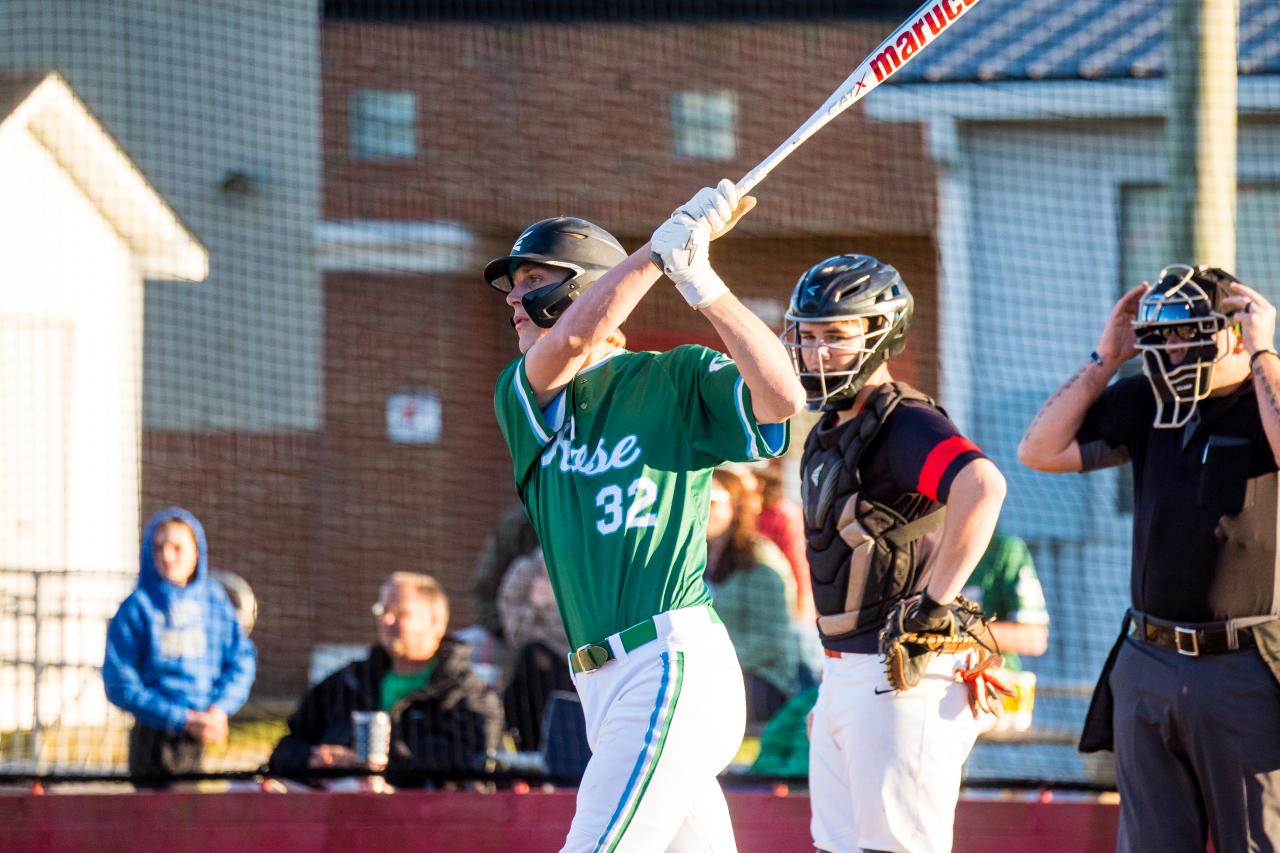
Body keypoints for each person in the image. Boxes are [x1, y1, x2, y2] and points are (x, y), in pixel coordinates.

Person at [487, 180, 805, 851]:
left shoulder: (672, 377)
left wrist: (700, 279)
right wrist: (654, 254)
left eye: (533, 280)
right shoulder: (524, 396)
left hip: (670, 663)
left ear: (584, 284)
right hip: (600, 685)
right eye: (513, 285)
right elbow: (574, 343)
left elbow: (782, 397)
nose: (513, 299)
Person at [1018, 264, 1280, 852]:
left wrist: (1264, 350)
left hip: (1243, 662)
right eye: (1164, 336)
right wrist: (1106, 357)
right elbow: (1038, 449)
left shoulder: (1265, 392)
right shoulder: (1145, 400)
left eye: (1191, 333)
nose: (1175, 350)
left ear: (1232, 329)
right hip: (1148, 657)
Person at [784, 254, 1007, 853]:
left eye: (836, 335)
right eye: (807, 335)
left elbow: (983, 486)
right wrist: (835, 689)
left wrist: (936, 604)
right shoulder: (832, 424)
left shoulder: (903, 420)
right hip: (846, 674)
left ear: (883, 333)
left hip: (900, 677)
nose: (816, 351)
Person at [268, 572, 503, 788]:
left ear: (436, 623)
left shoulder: (470, 695)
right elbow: (287, 747)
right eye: (382, 610)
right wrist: (315, 760)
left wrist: (375, 763)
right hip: (325, 810)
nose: (387, 620)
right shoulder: (348, 682)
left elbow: (465, 765)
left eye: (401, 613)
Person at [103, 508, 257, 788]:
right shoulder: (137, 607)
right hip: (153, 742)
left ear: (196, 552)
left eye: (177, 547)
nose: (167, 555)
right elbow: (119, 682)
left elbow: (241, 661)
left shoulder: (213, 603)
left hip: (199, 740)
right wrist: (180, 718)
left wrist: (219, 709)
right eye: (159, 546)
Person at [705, 467, 800, 726]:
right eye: (697, 496)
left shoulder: (761, 559)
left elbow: (771, 641)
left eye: (712, 500)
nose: (702, 507)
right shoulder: (691, 559)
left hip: (762, 679)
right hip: (710, 672)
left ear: (736, 506)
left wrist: (710, 662)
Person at [498, 547, 574, 751]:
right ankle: (530, 750)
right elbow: (516, 634)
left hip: (575, 663)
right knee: (533, 656)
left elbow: (575, 635)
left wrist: (546, 607)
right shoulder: (525, 571)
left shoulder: (581, 567)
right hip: (532, 666)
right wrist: (539, 609)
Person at [962, 531, 1049, 672]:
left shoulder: (1004, 549)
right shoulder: (920, 543)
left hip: (991, 681)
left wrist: (957, 633)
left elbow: (1034, 637)